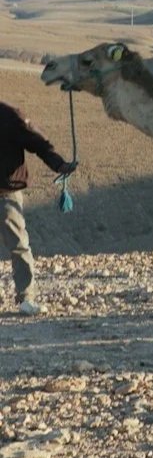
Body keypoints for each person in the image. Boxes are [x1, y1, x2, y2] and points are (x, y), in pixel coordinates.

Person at [1, 99, 77, 315]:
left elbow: (38, 143)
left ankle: (26, 298)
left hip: (5, 193)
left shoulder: (9, 116)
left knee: (18, 245)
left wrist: (59, 165)